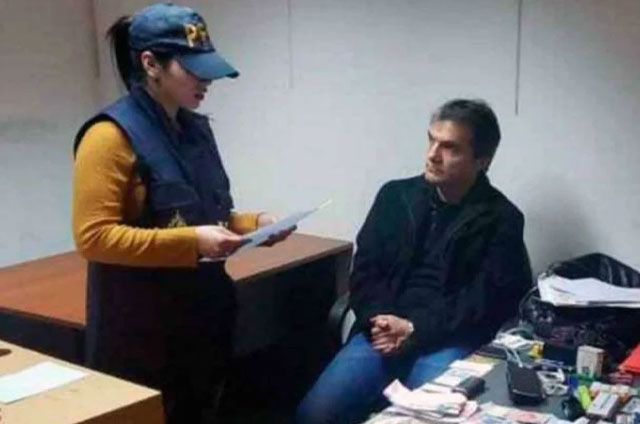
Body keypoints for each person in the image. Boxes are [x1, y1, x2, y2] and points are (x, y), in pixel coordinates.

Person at [71, 3, 291, 423]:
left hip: (201, 319)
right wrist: (192, 242)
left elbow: (203, 215)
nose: (206, 80)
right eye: (192, 70)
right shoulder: (108, 136)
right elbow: (93, 238)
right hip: (141, 330)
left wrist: (255, 225)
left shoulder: (195, 130)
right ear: (150, 63)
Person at [296, 99, 532, 424]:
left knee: (427, 420)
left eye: (450, 147)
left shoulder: (501, 218)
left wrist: (414, 328)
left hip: (446, 340)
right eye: (431, 140)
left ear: (482, 160)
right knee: (313, 416)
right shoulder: (395, 196)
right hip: (382, 333)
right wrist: (380, 321)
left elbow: (485, 299)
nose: (433, 154)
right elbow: (365, 271)